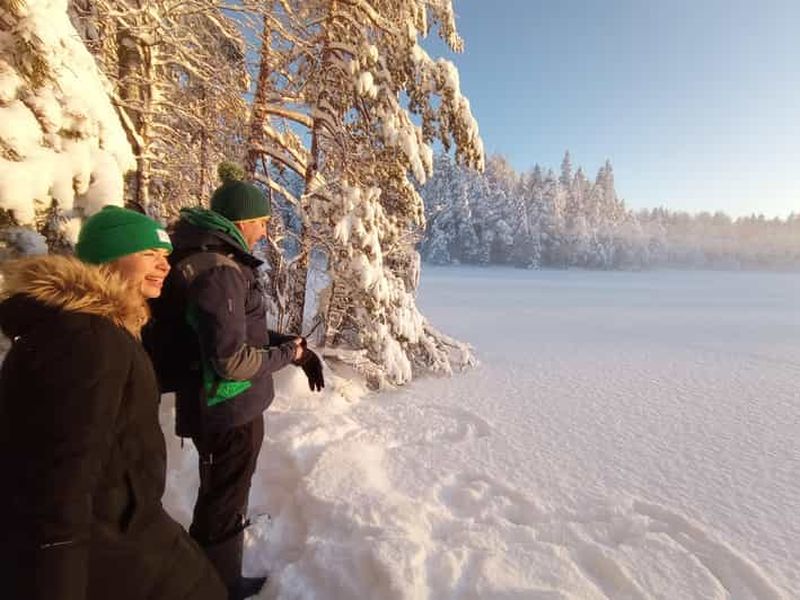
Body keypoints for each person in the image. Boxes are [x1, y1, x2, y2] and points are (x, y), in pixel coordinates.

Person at [0, 206, 226, 600]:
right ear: (109, 257)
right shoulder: (88, 336)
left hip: (124, 521)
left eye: (165, 257)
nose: (164, 266)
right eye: (148, 255)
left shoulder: (95, 326)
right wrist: (57, 576)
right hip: (104, 537)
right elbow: (63, 468)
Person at [146, 172, 324, 599]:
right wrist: (292, 355)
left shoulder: (209, 258)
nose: (264, 230)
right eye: (261, 221)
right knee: (222, 498)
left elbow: (232, 331)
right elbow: (230, 360)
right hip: (227, 411)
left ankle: (213, 567)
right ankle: (217, 586)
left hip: (226, 407)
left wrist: (285, 342)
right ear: (241, 222)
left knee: (226, 492)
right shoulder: (218, 269)